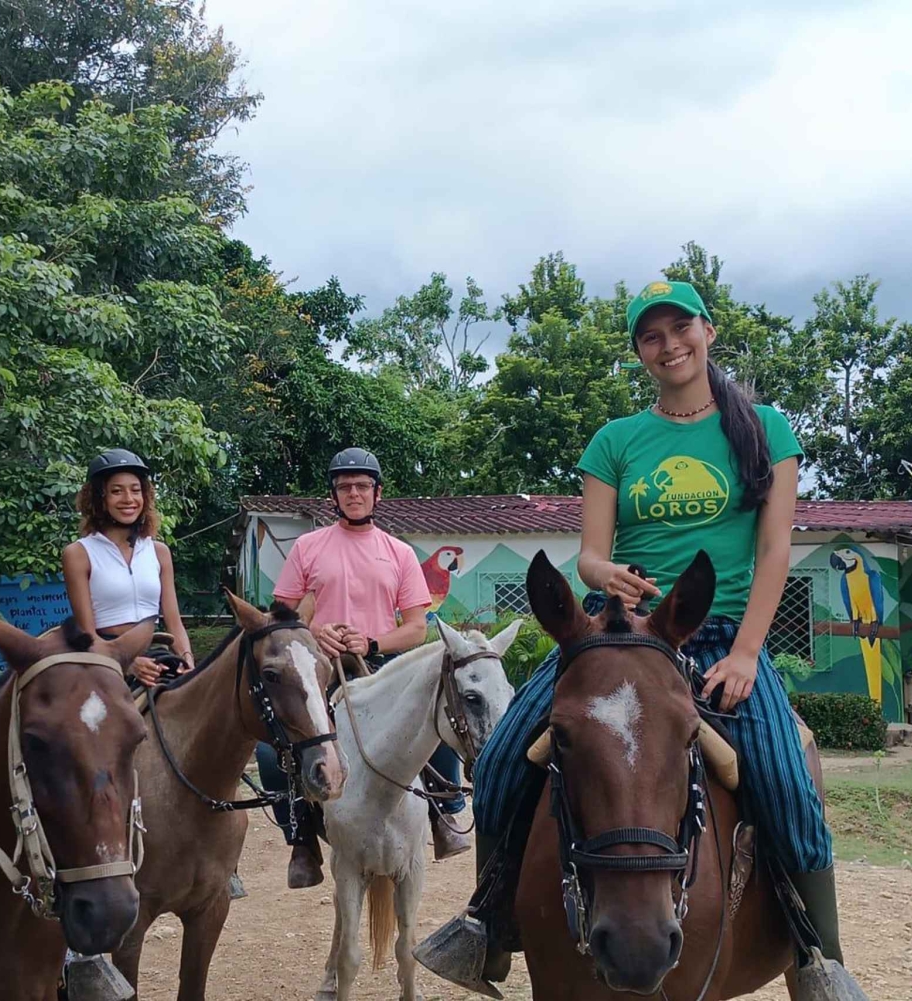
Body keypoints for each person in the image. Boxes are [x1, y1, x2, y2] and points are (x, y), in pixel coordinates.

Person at [417, 280, 860, 996]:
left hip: (715, 631)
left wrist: (748, 652)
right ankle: (488, 928)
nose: (668, 344)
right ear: (639, 353)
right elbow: (590, 553)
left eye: (679, 327)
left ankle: (820, 958)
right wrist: (606, 572)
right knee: (501, 756)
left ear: (708, 330)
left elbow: (776, 548)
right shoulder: (615, 439)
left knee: (782, 775)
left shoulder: (766, 428)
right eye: (650, 336)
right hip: (613, 627)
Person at [257, 447, 467, 890]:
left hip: (382, 664)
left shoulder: (399, 553)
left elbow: (415, 628)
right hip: (319, 669)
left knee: (439, 722)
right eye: (345, 486)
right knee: (268, 751)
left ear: (377, 493)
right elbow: (281, 617)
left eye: (362, 486)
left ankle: (443, 814)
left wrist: (371, 641)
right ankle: (301, 842)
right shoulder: (308, 547)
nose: (354, 493)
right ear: (333, 495)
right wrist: (316, 632)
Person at [62, 448, 195, 687]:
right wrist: (128, 663)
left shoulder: (159, 552)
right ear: (99, 498)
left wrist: (188, 661)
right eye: (116, 491)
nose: (128, 499)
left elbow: (175, 624)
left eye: (135, 490)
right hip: (104, 656)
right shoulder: (78, 554)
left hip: (157, 652)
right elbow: (87, 634)